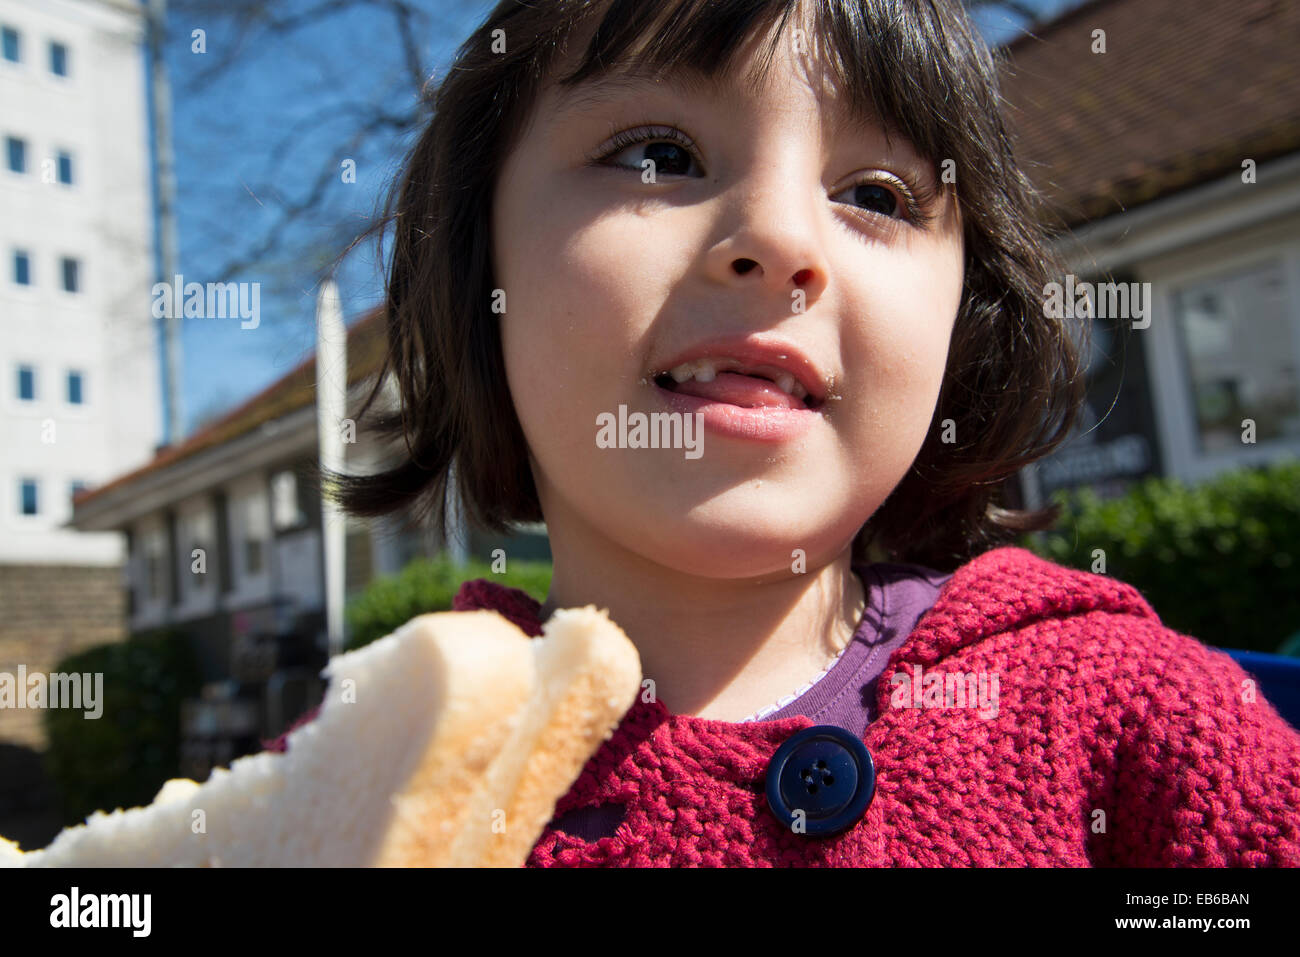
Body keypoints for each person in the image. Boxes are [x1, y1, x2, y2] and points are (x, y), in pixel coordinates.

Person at [273, 0, 1300, 866]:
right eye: (658, 155)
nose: (778, 240)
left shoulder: (1131, 723)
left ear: (962, 316)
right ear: (477, 262)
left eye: (874, 195)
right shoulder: (360, 783)